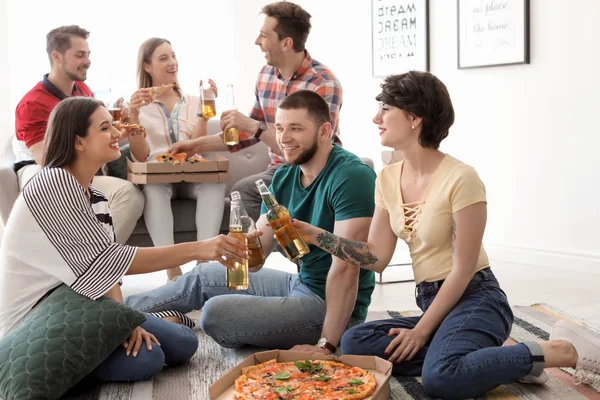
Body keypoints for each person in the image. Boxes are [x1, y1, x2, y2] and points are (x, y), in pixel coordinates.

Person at [290, 71, 600, 399]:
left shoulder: (461, 178)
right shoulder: (387, 179)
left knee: (441, 378)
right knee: (355, 342)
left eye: (385, 109)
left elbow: (463, 268)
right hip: (432, 302)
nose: (375, 118)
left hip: (476, 298)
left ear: (413, 117)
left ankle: (558, 351)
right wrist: (316, 235)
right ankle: (499, 361)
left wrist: (422, 331)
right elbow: (376, 258)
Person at [0, 97, 248, 381]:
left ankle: (155, 318)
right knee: (147, 358)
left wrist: (122, 321)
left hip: (78, 306)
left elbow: (108, 272)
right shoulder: (55, 183)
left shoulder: (96, 197)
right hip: (38, 321)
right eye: (106, 128)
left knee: (184, 343)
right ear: (78, 141)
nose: (118, 134)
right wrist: (200, 249)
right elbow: (112, 260)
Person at [125, 90, 376, 354]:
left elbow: (349, 269)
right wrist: (239, 246)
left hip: (332, 308)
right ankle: (115, 312)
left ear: (325, 131)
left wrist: (327, 345)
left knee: (215, 314)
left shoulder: (351, 175)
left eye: (296, 128)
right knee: (202, 276)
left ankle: (162, 322)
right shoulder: (284, 176)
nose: (284, 138)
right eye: (279, 128)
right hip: (301, 284)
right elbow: (256, 258)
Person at [170, 1, 342, 221]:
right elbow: (248, 133)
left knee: (247, 193)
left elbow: (314, 150)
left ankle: (299, 251)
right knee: (243, 193)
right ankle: (293, 248)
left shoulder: (323, 84)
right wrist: (196, 145)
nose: (256, 42)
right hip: (282, 170)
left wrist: (253, 126)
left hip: (318, 171)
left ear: (286, 43)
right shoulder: (266, 75)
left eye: (263, 35)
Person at [12, 25, 144, 244]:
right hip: (39, 170)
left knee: (127, 193)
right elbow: (49, 161)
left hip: (77, 167)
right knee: (125, 194)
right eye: (80, 55)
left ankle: (96, 262)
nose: (88, 60)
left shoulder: (82, 91)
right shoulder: (33, 103)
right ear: (57, 56)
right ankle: (95, 262)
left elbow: (91, 138)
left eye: (88, 54)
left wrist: (113, 133)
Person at [125, 37, 226, 282]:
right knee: (154, 189)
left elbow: (198, 147)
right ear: (147, 66)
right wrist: (134, 116)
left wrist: (205, 110)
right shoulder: (137, 104)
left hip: (193, 174)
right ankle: (172, 270)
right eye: (163, 58)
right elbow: (140, 155)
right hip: (159, 177)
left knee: (215, 185)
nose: (172, 63)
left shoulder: (193, 101)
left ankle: (205, 264)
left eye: (173, 56)